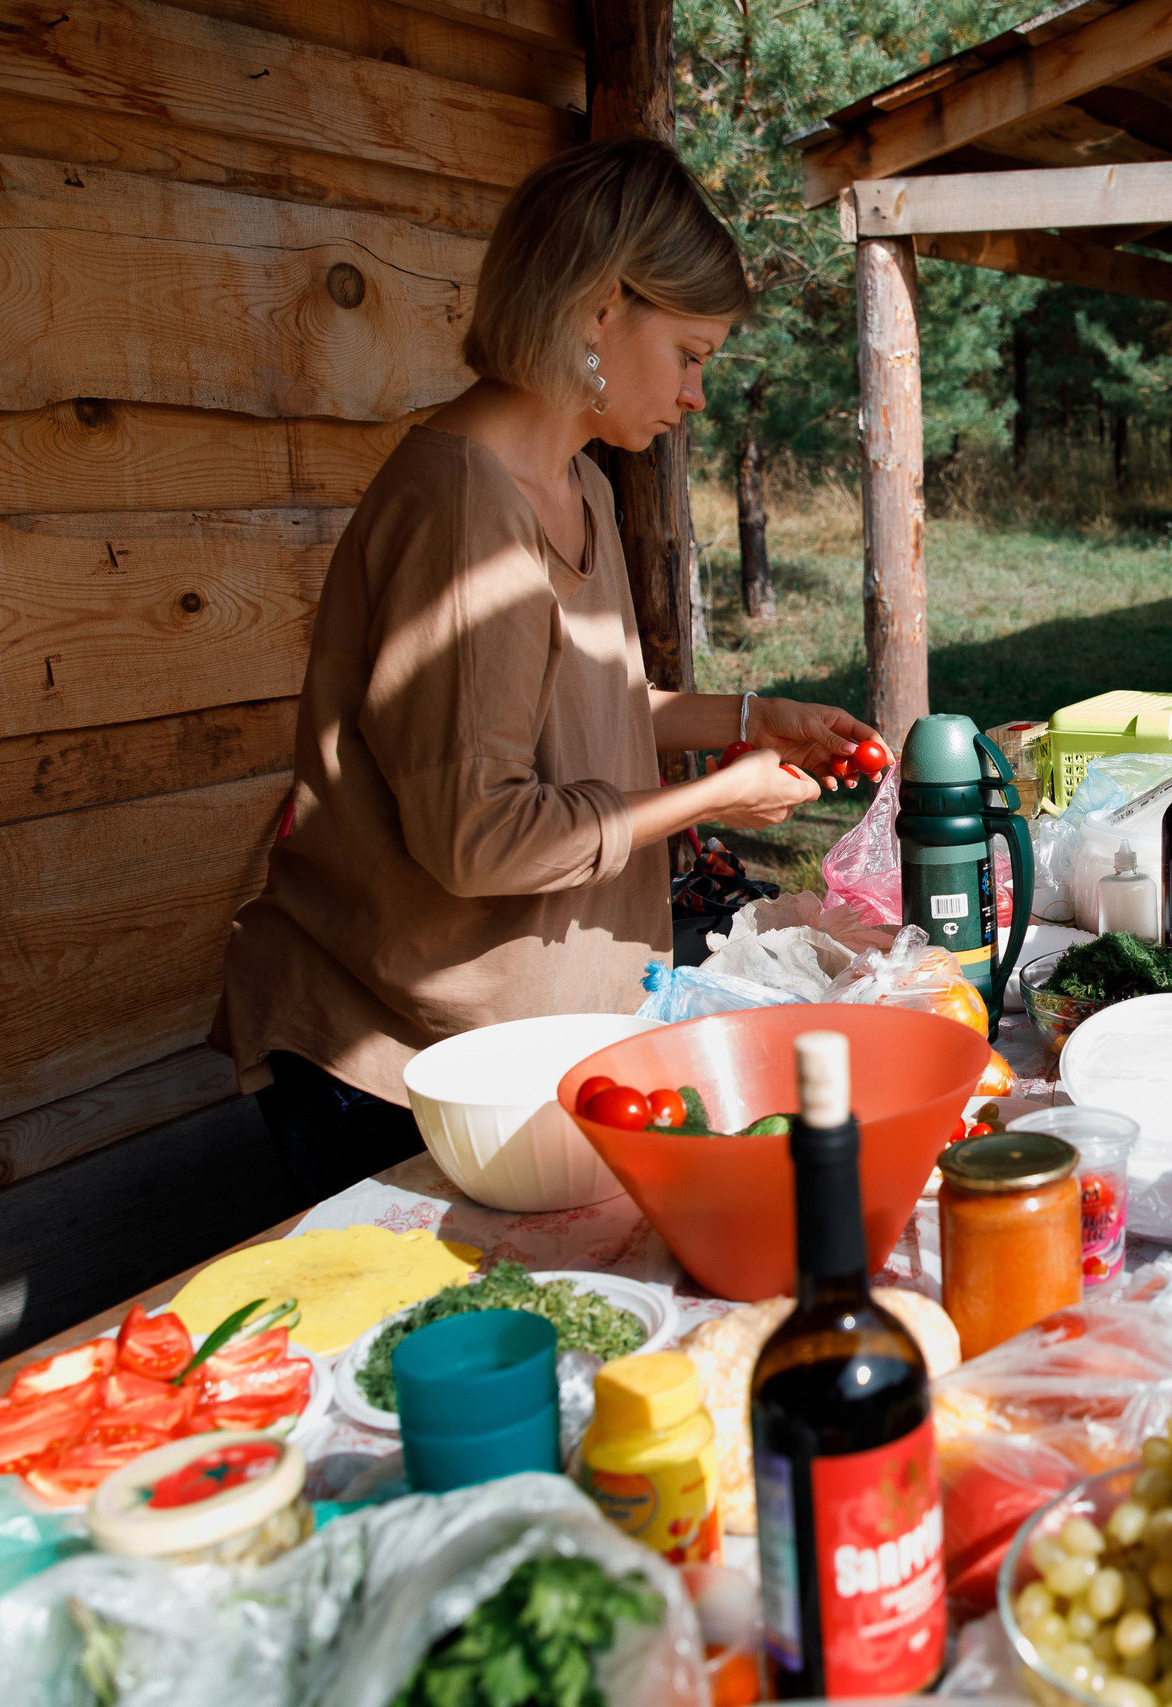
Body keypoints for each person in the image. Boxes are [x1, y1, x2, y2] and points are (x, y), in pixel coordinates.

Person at [215, 137, 881, 1198]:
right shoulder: (461, 513)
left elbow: (581, 709)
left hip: (525, 1036)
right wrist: (717, 796)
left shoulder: (581, 487)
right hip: (400, 1062)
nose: (698, 395)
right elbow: (481, 837)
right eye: (691, 354)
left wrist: (746, 719)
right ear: (602, 308)